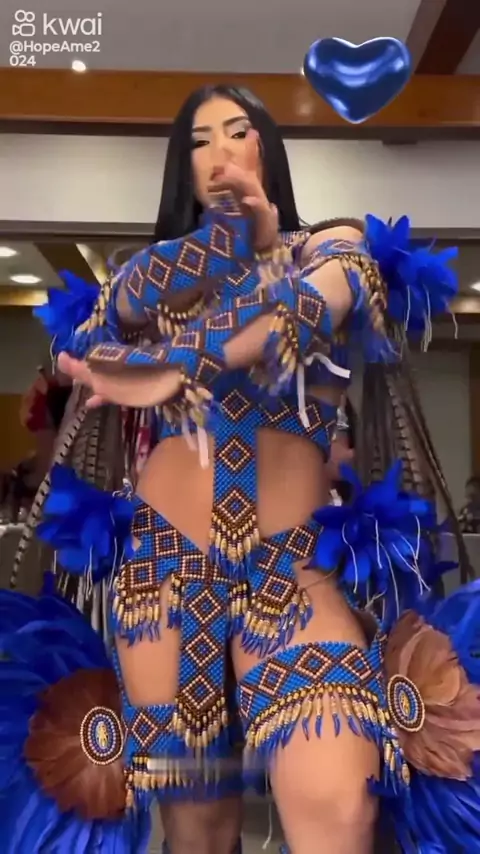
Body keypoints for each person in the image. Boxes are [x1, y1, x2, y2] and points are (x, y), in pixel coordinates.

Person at [1, 83, 480, 854]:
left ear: (267, 147)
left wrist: (188, 351)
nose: (219, 152)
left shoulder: (330, 246)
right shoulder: (157, 273)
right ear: (182, 169)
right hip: (165, 572)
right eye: (198, 141)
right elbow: (102, 325)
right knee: (198, 832)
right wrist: (213, 263)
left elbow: (319, 302)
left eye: (236, 131)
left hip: (290, 571)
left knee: (339, 810)